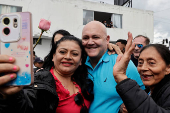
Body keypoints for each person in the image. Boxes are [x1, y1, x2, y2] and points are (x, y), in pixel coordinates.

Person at [0, 36, 93, 113]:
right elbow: (24, 106)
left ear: (81, 61)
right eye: (62, 52)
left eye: (75, 54)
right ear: (53, 56)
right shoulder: (40, 80)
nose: (68, 57)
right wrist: (10, 95)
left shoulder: (85, 80)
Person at [81, 21, 144, 113]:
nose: (90, 42)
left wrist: (128, 105)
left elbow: (143, 95)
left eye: (95, 37)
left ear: (107, 39)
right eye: (86, 38)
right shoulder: (78, 63)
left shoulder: (122, 63)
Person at [113, 32, 170, 113]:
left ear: (168, 68)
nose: (143, 68)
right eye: (140, 62)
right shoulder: (148, 91)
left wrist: (121, 77)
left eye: (151, 63)